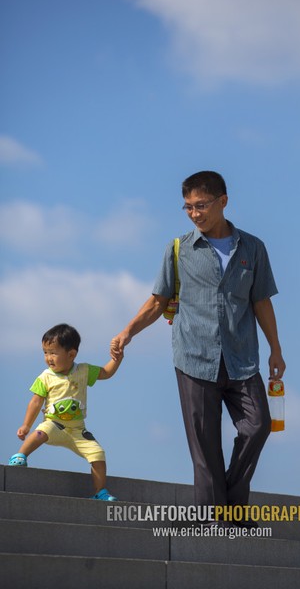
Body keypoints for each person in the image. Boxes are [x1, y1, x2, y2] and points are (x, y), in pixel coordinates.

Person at [111, 171, 285, 525]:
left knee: (258, 425)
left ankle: (230, 507)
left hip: (242, 358)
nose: (194, 213)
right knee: (204, 445)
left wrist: (276, 350)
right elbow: (158, 300)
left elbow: (262, 302)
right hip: (193, 357)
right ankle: (211, 516)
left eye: (201, 205)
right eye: (188, 207)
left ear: (223, 201)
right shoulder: (178, 250)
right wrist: (128, 331)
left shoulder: (253, 248)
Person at [9, 323, 123, 501]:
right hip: (54, 424)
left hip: (78, 430)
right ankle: (20, 456)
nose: (48, 358)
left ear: (71, 354)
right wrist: (26, 425)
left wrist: (117, 359)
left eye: (53, 352)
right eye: (45, 353)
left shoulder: (83, 370)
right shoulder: (45, 377)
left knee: (98, 454)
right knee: (39, 433)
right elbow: (36, 401)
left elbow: (106, 373)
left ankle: (100, 492)